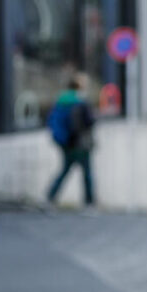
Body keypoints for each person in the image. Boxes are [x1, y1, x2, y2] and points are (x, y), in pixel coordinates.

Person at [46, 76, 95, 205]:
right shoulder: (80, 102)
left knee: (65, 170)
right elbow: (89, 122)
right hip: (79, 143)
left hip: (64, 142)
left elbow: (50, 121)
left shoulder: (60, 100)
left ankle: (50, 196)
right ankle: (89, 202)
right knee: (87, 173)